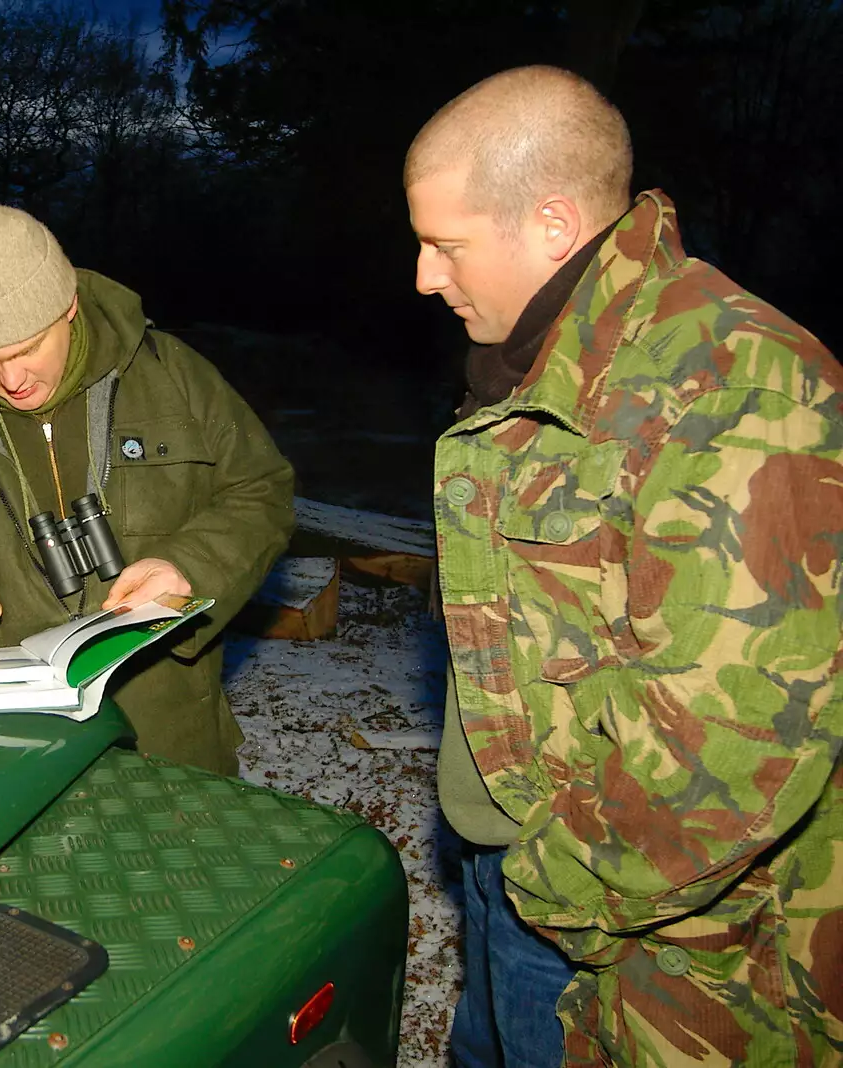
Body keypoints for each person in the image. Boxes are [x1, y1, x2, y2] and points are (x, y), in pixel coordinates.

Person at [405, 65, 842, 1067]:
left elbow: (730, 742)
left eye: (445, 244)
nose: (424, 276)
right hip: (504, 857)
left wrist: (552, 888)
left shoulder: (736, 386)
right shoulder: (538, 353)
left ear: (551, 224)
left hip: (627, 928)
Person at [0, 205, 295, 775]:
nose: (12, 380)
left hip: (169, 740)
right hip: (7, 752)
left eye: (27, 349)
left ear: (70, 307)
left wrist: (191, 566)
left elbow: (262, 489)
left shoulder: (173, 377)